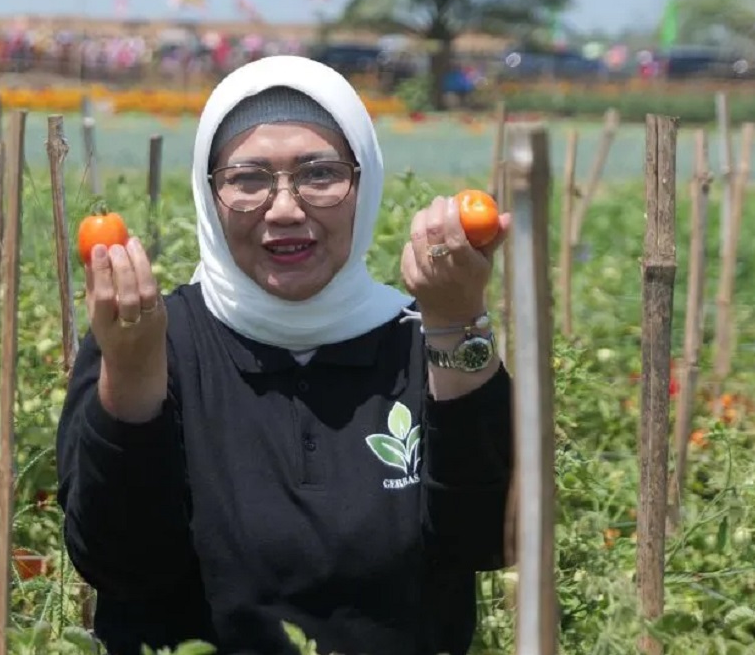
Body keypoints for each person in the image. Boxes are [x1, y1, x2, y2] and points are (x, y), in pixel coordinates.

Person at [56, 56, 514, 655]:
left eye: (319, 173)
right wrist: (135, 371)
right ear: (209, 192)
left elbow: (489, 539)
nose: (285, 207)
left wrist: (457, 323)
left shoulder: (415, 342)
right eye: (247, 178)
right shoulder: (153, 339)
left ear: (364, 182)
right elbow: (118, 564)